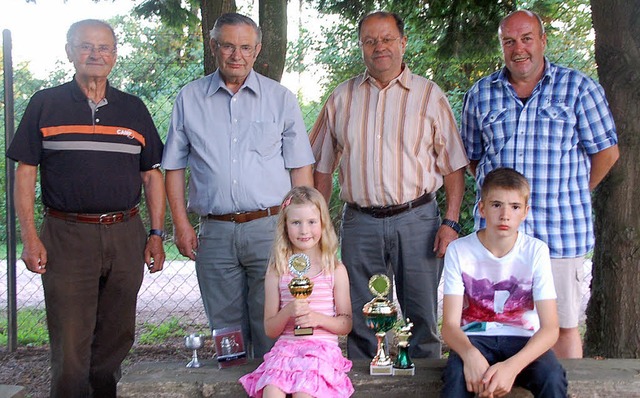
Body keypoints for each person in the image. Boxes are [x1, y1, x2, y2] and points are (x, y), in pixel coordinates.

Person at [6, 19, 166, 397]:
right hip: (66, 235)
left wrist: (157, 234)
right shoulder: (45, 103)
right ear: (69, 52)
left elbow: (152, 176)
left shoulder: (133, 108)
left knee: (117, 335)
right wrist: (29, 237)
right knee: (71, 342)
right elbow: (25, 173)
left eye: (104, 47)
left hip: (125, 232)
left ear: (114, 55)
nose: (96, 54)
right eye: (86, 46)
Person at [309, 11, 469, 360]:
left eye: (386, 39)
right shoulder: (341, 98)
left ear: (402, 43)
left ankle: (424, 380)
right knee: (363, 315)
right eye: (370, 41)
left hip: (418, 221)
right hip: (360, 222)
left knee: (422, 315)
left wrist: (451, 222)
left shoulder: (429, 95)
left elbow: (454, 164)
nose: (378, 47)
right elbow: (320, 165)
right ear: (361, 46)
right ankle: (364, 384)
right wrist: (318, 225)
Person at [460, 9, 619, 359]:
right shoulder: (481, 94)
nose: (519, 48)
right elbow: (473, 159)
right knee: (495, 324)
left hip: (559, 233)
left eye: (527, 38)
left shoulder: (579, 88)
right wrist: (501, 203)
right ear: (501, 46)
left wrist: (574, 190)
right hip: (497, 238)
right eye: (509, 41)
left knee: (562, 327)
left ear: (543, 41)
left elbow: (606, 153)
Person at [162, 12, 314, 359]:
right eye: (228, 46)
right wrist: (181, 225)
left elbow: (300, 169)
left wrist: (304, 229)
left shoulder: (280, 98)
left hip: (270, 228)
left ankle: (273, 387)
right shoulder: (189, 99)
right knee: (226, 331)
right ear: (213, 46)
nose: (237, 55)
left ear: (257, 49)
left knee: (273, 326)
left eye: (245, 47)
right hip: (214, 234)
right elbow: (173, 167)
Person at [441, 167, 567, 397]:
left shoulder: (535, 251)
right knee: (456, 380)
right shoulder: (459, 251)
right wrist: (469, 355)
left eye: (515, 207)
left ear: (525, 211)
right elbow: (449, 326)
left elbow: (550, 328)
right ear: (481, 208)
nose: (505, 215)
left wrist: (512, 367)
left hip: (524, 340)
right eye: (496, 204)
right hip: (474, 339)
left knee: (552, 377)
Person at [239, 186, 354, 398]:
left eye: (311, 222)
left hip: (321, 352)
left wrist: (316, 318)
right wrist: (289, 311)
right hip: (286, 351)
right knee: (272, 392)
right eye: (296, 223)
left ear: (323, 223)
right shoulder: (278, 270)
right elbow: (270, 329)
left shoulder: (335, 269)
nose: (304, 230)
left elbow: (346, 324)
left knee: (304, 392)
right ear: (284, 226)